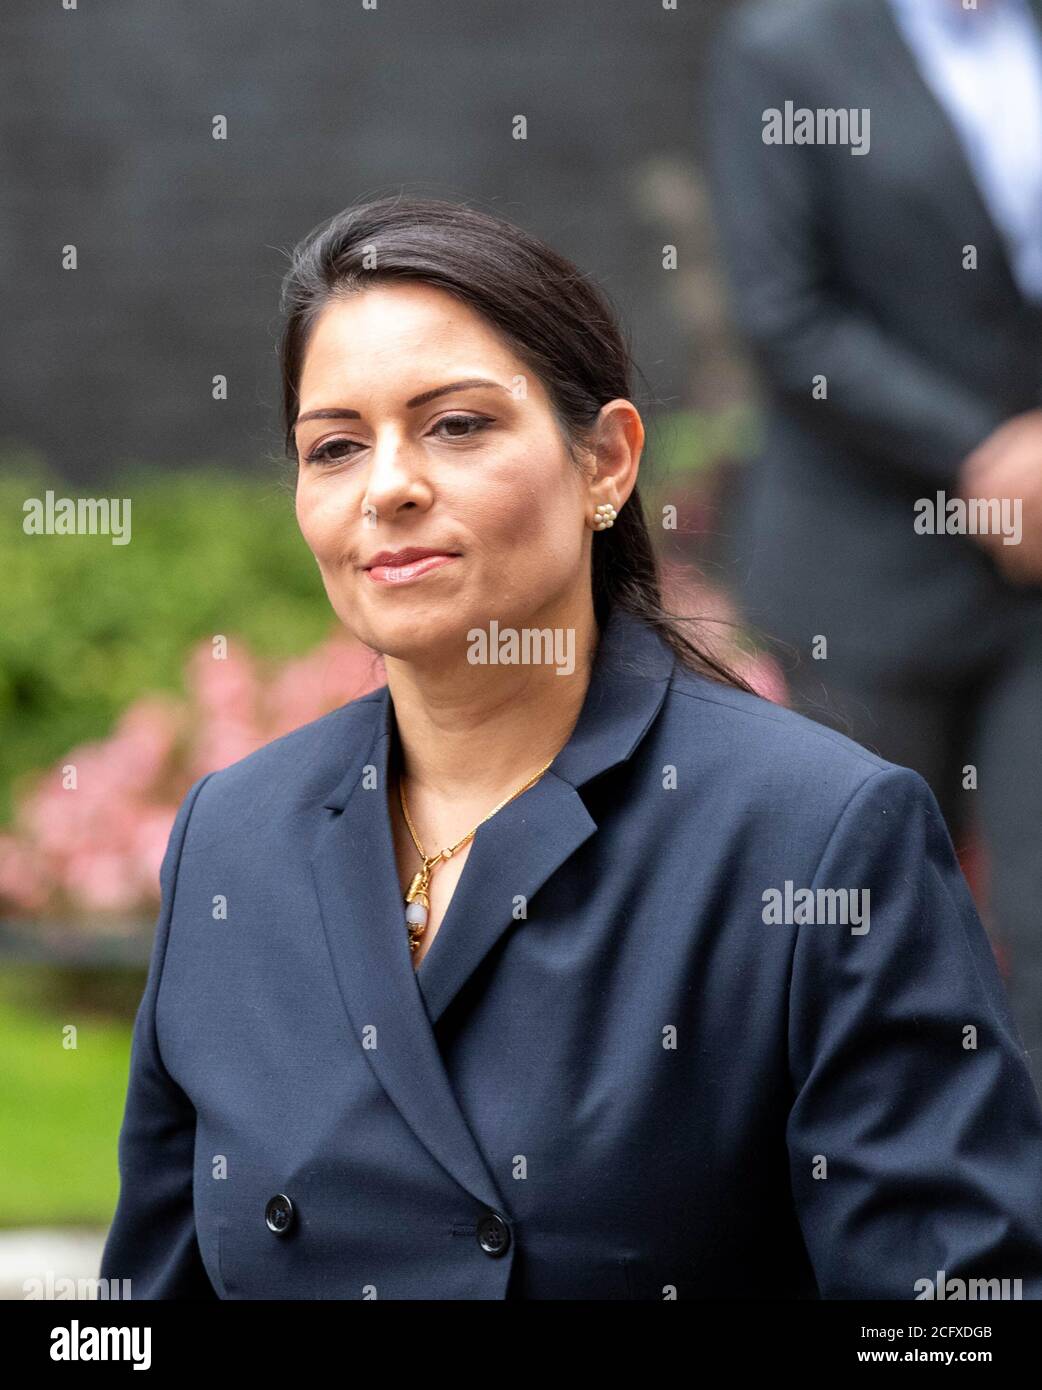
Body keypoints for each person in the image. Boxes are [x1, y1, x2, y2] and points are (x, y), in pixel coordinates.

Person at [99, 197, 1042, 1300]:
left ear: (606, 463)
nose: (388, 485)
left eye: (456, 425)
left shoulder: (812, 836)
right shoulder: (232, 837)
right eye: (336, 446)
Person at [705, 0, 1042, 1095]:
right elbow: (783, 312)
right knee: (870, 943)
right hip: (868, 567)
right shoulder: (787, 50)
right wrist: (985, 452)